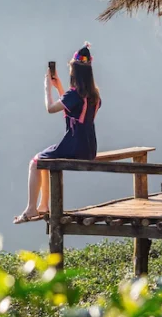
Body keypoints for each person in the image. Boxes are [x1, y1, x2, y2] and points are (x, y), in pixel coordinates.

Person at [14, 42, 102, 224]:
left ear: (74, 72)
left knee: (35, 162)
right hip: (89, 147)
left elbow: (51, 108)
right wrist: (59, 87)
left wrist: (47, 88)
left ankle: (31, 208)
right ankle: (43, 206)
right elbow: (76, 110)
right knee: (44, 160)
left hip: (73, 144)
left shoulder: (74, 94)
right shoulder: (94, 95)